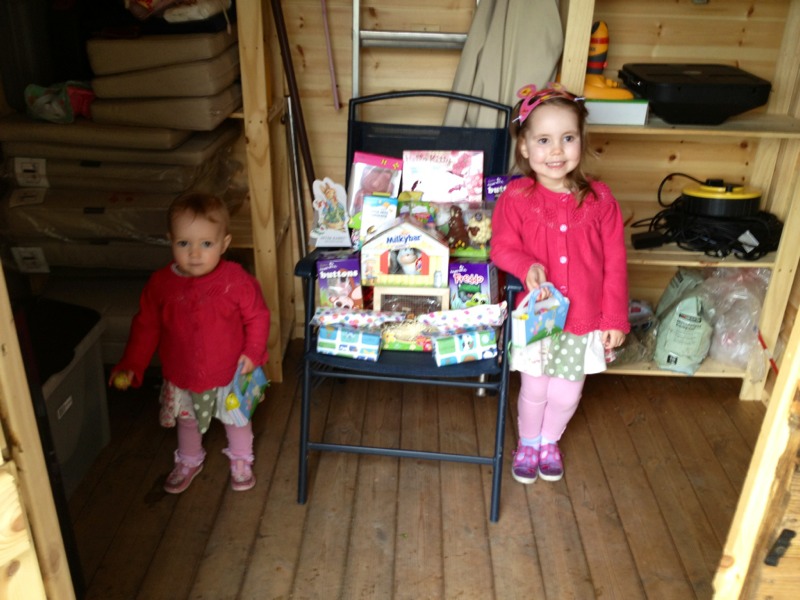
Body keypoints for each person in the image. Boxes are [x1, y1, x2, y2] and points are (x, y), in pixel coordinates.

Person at [490, 84, 629, 484]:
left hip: (582, 321)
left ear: (582, 140)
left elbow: (615, 263)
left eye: (568, 138)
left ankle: (550, 441)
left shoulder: (600, 200)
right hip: (540, 319)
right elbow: (501, 247)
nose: (556, 151)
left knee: (567, 392)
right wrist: (526, 265)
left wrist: (614, 318)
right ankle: (528, 443)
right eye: (544, 140)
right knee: (535, 389)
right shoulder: (516, 197)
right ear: (524, 146)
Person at [109, 192, 271, 493]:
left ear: (224, 243)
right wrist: (132, 363)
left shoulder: (236, 281)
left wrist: (253, 351)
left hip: (230, 371)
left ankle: (241, 459)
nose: (195, 253)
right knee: (188, 420)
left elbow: (258, 316)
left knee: (236, 418)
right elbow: (146, 327)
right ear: (170, 241)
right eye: (184, 243)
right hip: (182, 373)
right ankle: (189, 459)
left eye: (206, 244)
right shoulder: (161, 285)